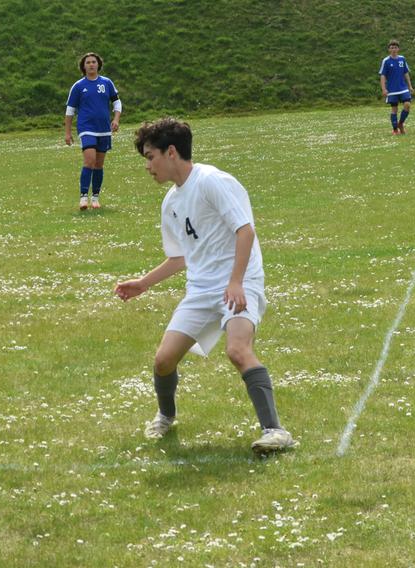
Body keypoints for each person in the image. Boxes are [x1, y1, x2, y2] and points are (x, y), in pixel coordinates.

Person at [114, 117, 295, 454]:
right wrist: (143, 283)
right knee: (163, 361)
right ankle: (165, 417)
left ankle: (276, 431)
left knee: (237, 351)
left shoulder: (213, 181)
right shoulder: (170, 202)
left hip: (239, 282)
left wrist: (237, 282)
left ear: (171, 152)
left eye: (150, 157)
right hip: (201, 290)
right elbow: (180, 257)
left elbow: (245, 230)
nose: (148, 167)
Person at [64, 52, 121, 210]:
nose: (91, 64)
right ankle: (83, 197)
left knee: (99, 164)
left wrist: (116, 119)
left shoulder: (107, 83)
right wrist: (67, 133)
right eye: (88, 62)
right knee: (89, 160)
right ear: (83, 66)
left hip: (104, 129)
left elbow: (117, 103)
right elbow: (70, 111)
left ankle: (95, 197)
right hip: (86, 128)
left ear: (98, 64)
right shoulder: (78, 86)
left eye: (93, 62)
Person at [379, 39, 415, 135]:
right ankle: (395, 130)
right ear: (389, 50)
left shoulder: (402, 59)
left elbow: (406, 72)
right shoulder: (386, 61)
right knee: (394, 109)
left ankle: (400, 123)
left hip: (403, 88)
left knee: (407, 105)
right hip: (392, 90)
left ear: (398, 49)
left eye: (395, 47)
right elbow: (382, 75)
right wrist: (383, 89)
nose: (394, 49)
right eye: (391, 48)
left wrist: (410, 86)